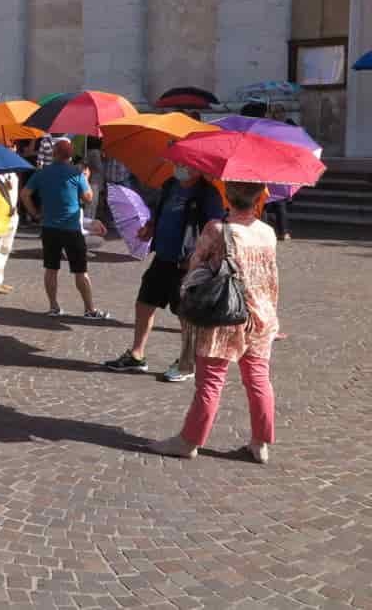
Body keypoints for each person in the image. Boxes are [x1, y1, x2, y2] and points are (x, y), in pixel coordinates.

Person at [149, 182, 279, 464]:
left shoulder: (216, 229)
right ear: (258, 198)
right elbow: (271, 279)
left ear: (227, 195)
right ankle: (260, 443)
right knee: (258, 379)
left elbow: (195, 266)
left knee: (210, 383)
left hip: (223, 315)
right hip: (260, 316)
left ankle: (189, 442)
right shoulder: (267, 233)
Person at [105, 165, 224, 379]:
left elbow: (216, 229)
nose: (180, 167)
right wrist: (150, 227)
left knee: (185, 314)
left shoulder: (208, 194)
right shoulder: (170, 185)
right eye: (179, 162)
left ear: (198, 168)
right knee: (144, 303)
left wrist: (198, 255)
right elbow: (160, 211)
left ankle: (187, 362)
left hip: (187, 263)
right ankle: (136, 355)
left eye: (186, 164)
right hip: (162, 257)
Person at [20, 138, 110, 319]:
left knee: (51, 269)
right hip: (71, 229)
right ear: (70, 156)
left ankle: (54, 307)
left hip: (49, 227)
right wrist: (85, 178)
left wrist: (35, 214)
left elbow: (25, 194)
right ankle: (89, 309)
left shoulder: (43, 172)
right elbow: (88, 198)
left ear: (54, 154)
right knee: (80, 271)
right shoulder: (75, 174)